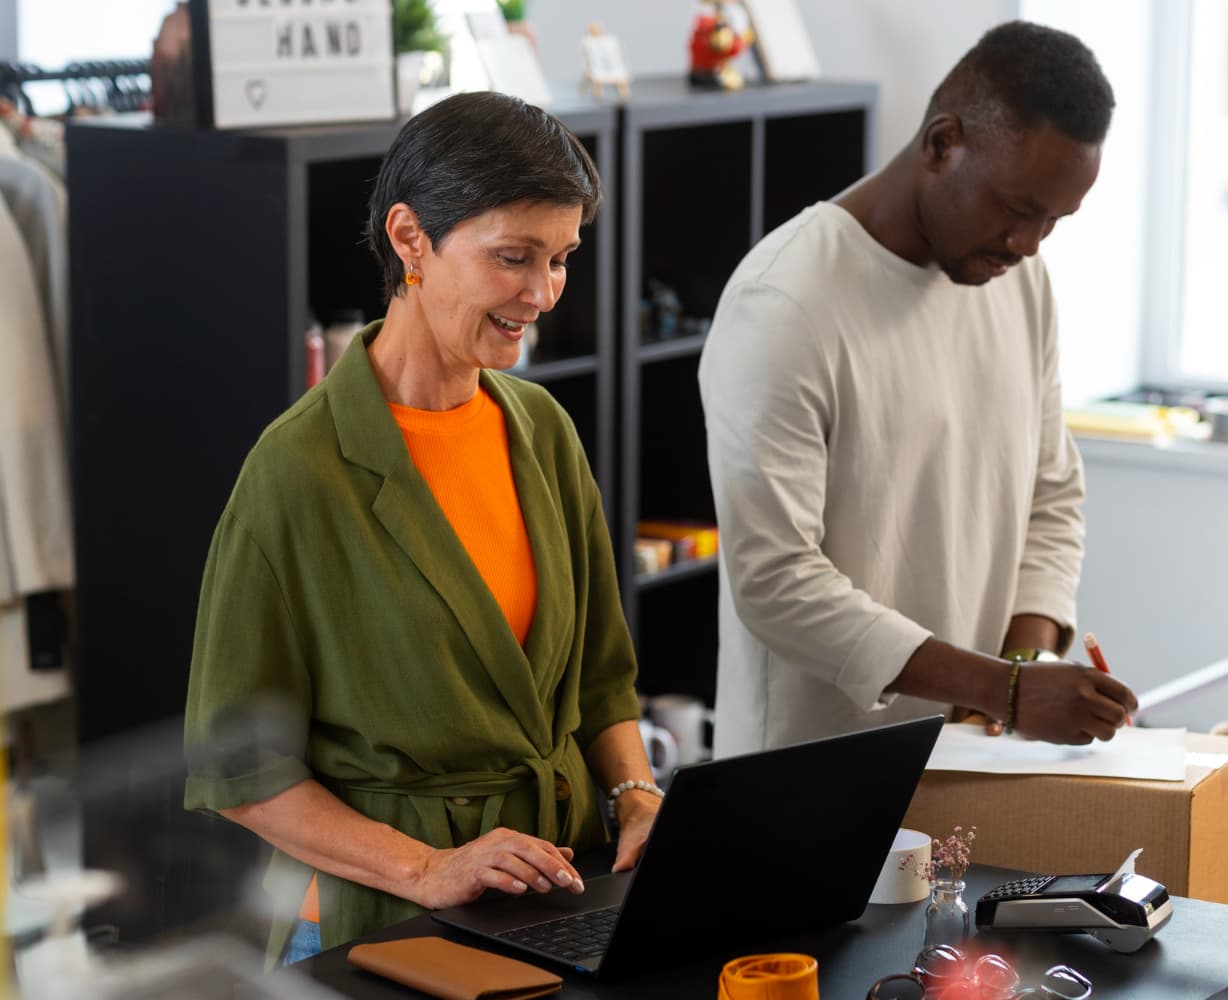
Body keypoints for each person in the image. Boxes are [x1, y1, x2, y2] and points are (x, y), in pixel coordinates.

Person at [182, 93, 659, 964]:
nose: (543, 293)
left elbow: (599, 680)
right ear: (410, 239)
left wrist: (635, 793)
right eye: (514, 257)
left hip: (570, 889)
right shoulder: (296, 471)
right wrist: (429, 867)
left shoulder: (541, 429)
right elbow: (239, 775)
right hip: (394, 924)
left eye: (561, 259)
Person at [699, 21, 1139, 757]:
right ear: (942, 144)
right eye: (1018, 207)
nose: (1030, 244)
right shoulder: (786, 301)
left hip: (971, 760)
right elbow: (775, 581)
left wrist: (1024, 665)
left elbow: (1051, 491)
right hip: (808, 782)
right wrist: (1001, 689)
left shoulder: (1018, 281)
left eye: (1055, 221)